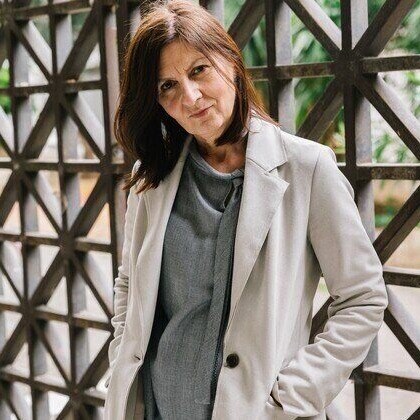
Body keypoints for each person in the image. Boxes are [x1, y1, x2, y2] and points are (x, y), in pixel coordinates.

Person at [103, 1, 388, 419]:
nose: (190, 96)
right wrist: (121, 364)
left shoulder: (307, 168)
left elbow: (362, 297)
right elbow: (130, 284)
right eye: (167, 86)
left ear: (231, 62)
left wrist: (293, 395)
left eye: (199, 70)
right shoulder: (152, 178)